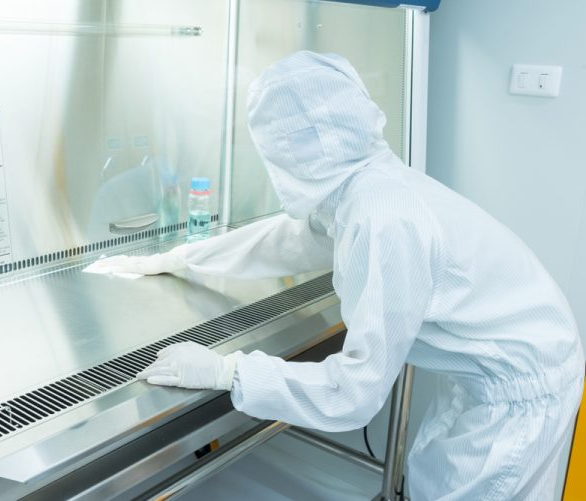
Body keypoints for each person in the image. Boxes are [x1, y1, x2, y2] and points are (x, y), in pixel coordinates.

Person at [91, 51, 585, 500]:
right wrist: (181, 258)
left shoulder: (383, 216)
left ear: (286, 148)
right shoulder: (364, 184)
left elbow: (353, 397)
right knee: (434, 482)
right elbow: (292, 239)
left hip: (519, 399)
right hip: (494, 377)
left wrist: (228, 372)